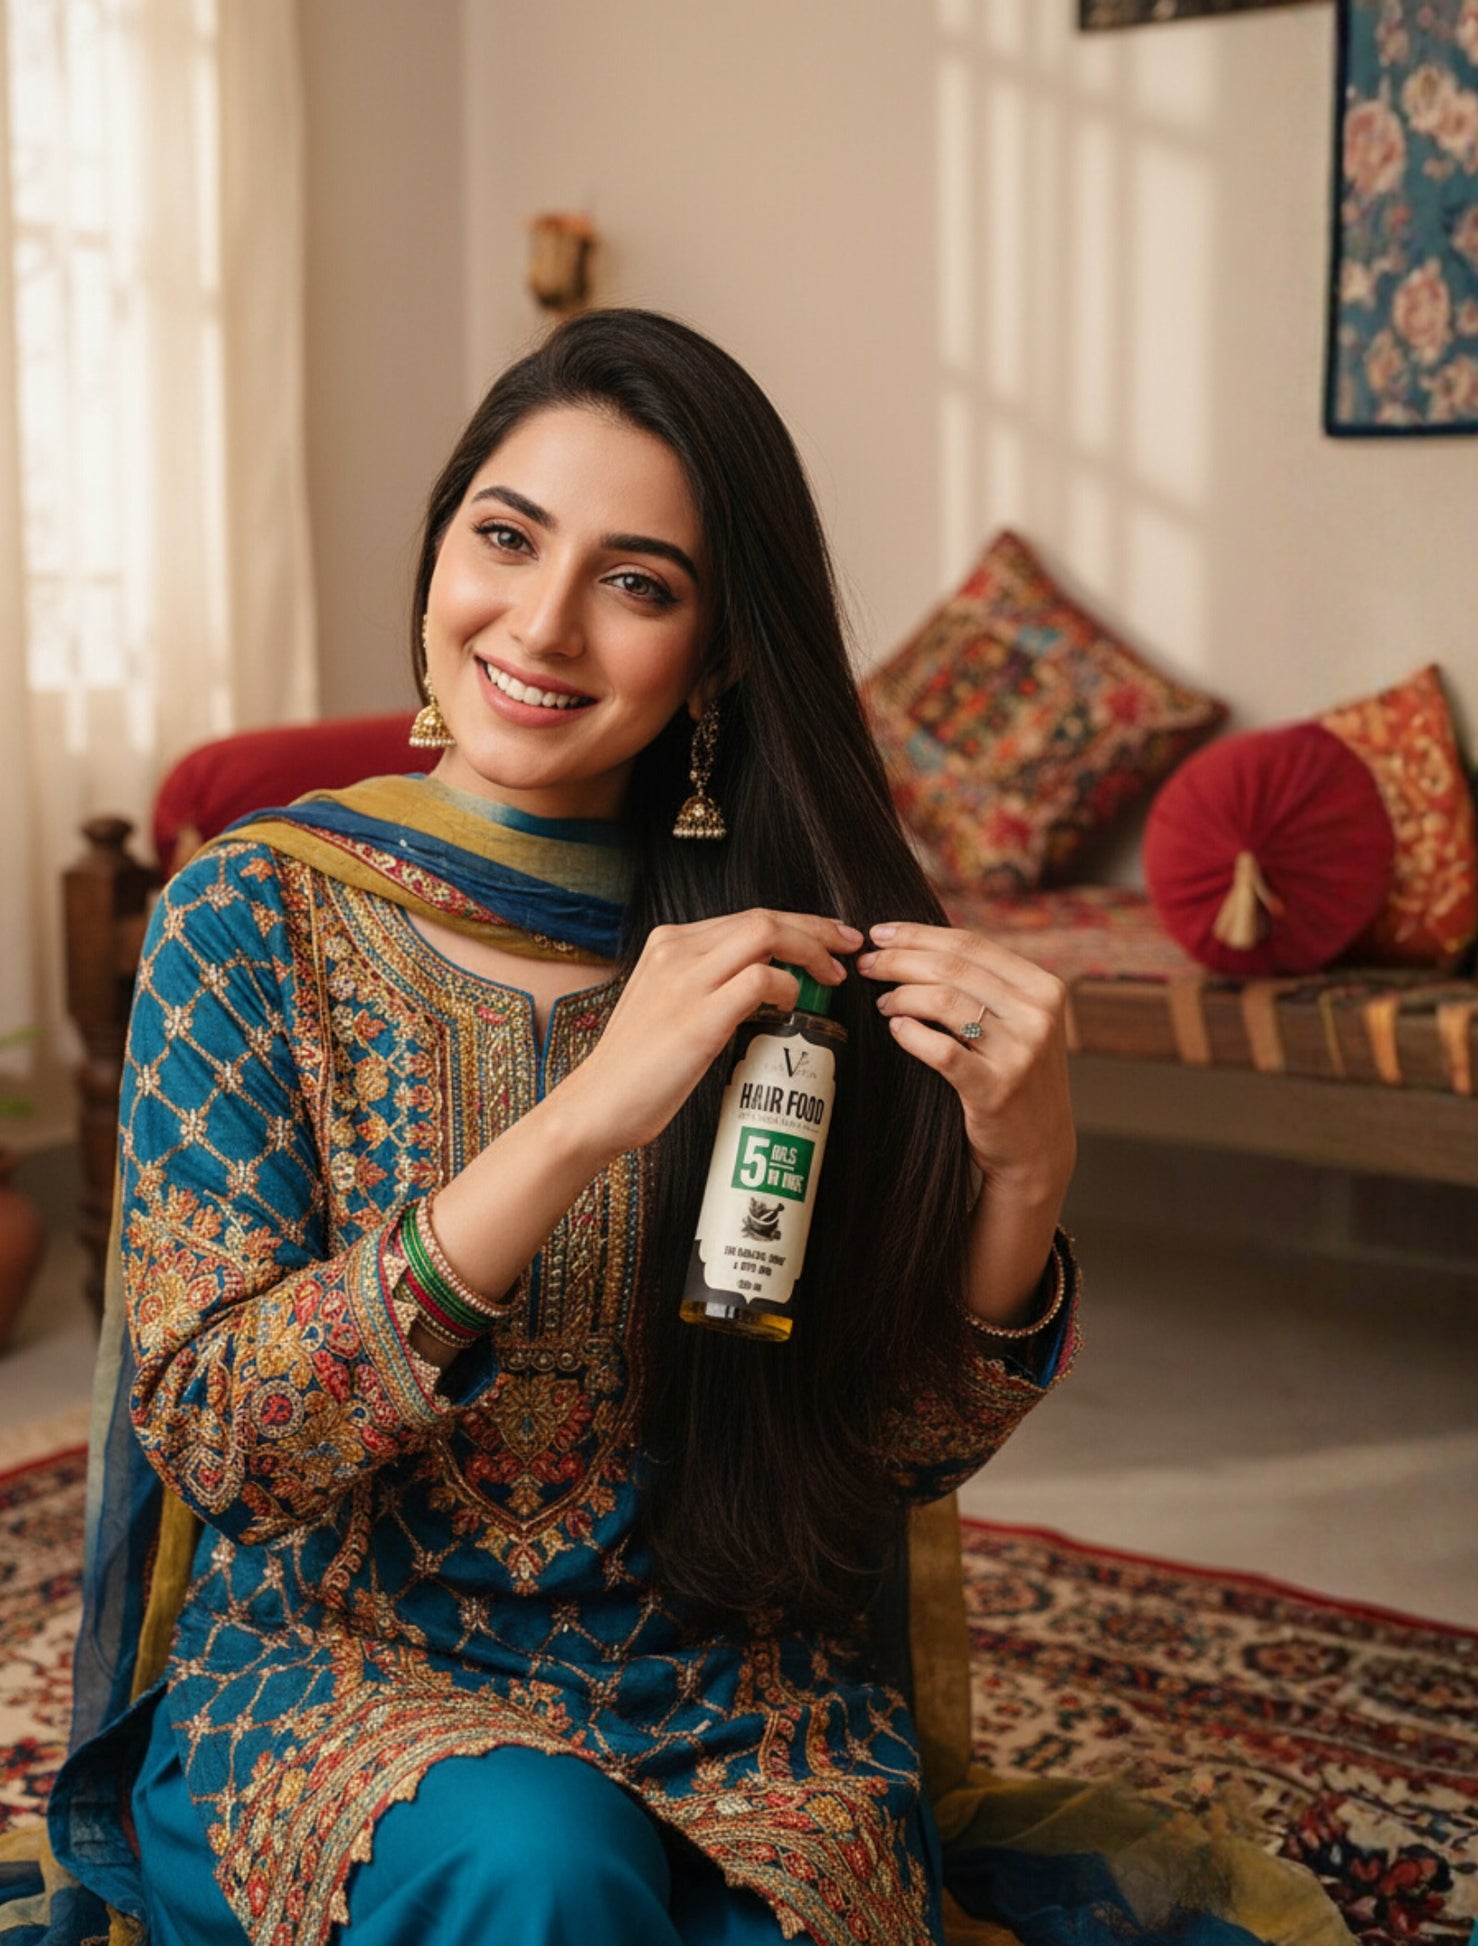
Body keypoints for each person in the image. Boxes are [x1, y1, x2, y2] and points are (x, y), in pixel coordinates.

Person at [85, 307, 1077, 1946]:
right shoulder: (249, 912)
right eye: (505, 536)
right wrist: (580, 1119)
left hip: (721, 1696)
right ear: (438, 555)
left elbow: (881, 1456)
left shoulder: (783, 954)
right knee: (539, 1867)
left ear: (719, 652)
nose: (539, 622)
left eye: (636, 582)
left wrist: (1025, 1168)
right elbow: (220, 1436)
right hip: (347, 1681)